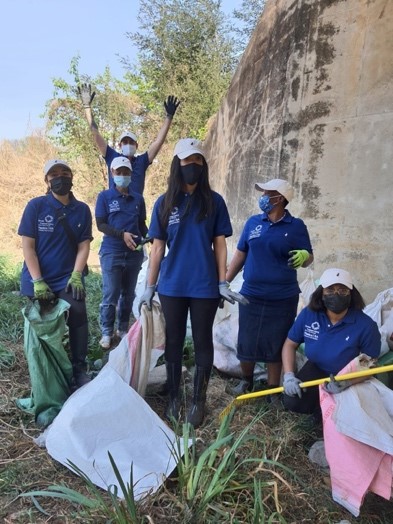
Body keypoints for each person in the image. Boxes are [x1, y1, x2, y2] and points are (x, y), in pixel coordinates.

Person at [139, 138, 246, 428]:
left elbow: (220, 245)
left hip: (204, 287)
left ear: (204, 165)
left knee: (202, 340)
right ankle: (174, 397)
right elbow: (158, 249)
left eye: (198, 161)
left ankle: (198, 401)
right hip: (172, 285)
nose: (193, 166)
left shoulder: (214, 201)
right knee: (173, 340)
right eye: (187, 161)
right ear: (177, 164)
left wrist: (222, 281)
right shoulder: (164, 202)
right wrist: (150, 287)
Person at [225, 178, 314, 397]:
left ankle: (273, 390)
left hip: (283, 297)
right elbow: (240, 255)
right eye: (263, 193)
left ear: (280, 198)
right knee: (246, 341)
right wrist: (224, 282)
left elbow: (309, 257)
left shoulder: (296, 226)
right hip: (252, 294)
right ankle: (246, 382)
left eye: (267, 193)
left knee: (276, 343)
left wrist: (304, 256)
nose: (263, 197)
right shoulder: (253, 223)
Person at [18, 159, 93, 387]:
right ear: (47, 181)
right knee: (43, 321)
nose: (60, 177)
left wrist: (77, 274)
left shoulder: (81, 210)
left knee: (78, 311)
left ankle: (79, 368)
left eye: (65, 172)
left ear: (71, 177)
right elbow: (28, 247)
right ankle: (48, 370)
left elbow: (83, 246)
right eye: (54, 174)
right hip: (37, 277)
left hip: (66, 277)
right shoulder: (36, 206)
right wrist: (38, 281)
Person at [282, 267, 381, 415]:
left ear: (351, 294)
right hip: (317, 368)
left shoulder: (366, 325)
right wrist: (289, 376)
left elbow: (371, 365)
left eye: (342, 290)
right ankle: (318, 410)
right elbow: (289, 344)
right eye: (330, 289)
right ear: (321, 293)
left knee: (349, 413)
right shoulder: (309, 315)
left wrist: (347, 382)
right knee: (294, 400)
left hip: (348, 374)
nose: (336, 294)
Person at [78, 83, 180, 195]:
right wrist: (87, 108)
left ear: (136, 146)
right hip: (114, 209)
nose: (128, 144)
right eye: (125, 142)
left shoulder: (141, 162)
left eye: (131, 142)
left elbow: (158, 142)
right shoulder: (112, 157)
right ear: (119, 145)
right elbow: (95, 134)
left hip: (135, 209)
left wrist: (169, 117)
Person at [95, 156, 148, 349]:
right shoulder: (104, 197)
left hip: (133, 254)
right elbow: (101, 224)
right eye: (119, 172)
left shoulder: (138, 199)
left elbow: (141, 224)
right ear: (112, 173)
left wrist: (150, 237)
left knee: (128, 293)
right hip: (112, 252)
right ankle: (107, 332)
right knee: (111, 293)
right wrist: (121, 234)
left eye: (126, 172)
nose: (123, 176)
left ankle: (123, 328)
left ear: (131, 175)